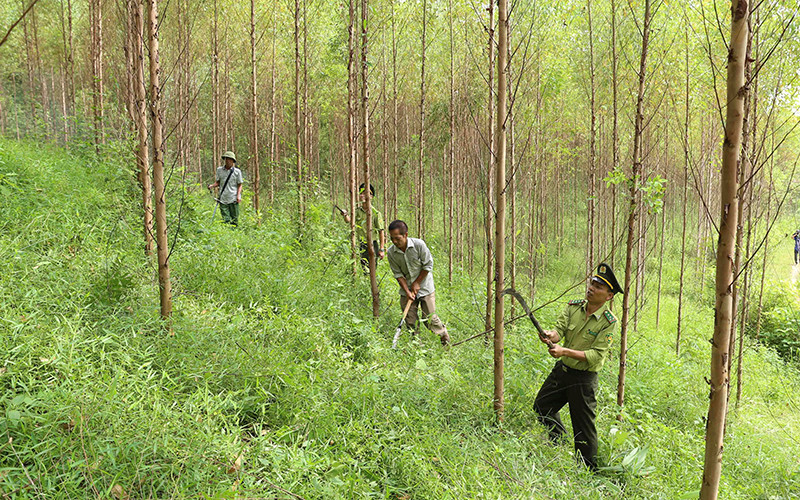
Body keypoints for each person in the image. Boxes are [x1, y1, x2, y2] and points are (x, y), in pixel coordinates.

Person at [533, 263, 622, 471]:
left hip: (583, 379)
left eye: (599, 287)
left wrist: (564, 351)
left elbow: (595, 356)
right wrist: (550, 335)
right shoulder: (574, 307)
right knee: (542, 406)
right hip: (562, 371)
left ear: (609, 296)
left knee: (583, 428)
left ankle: (588, 470)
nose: (592, 288)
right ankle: (558, 440)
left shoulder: (609, 322)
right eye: (592, 283)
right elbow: (559, 330)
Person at [386, 220, 450, 346]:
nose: (394, 242)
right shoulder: (391, 252)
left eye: (397, 238)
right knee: (410, 320)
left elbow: (428, 265)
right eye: (392, 238)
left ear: (405, 235)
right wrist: (407, 290)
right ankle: (416, 347)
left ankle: (444, 338)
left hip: (425, 286)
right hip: (407, 288)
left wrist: (417, 282)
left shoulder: (419, 245)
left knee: (430, 318)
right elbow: (398, 275)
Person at [338, 183, 386, 271]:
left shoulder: (376, 213)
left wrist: (381, 249)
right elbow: (349, 221)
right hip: (362, 244)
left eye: (366, 193)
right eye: (361, 193)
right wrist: (345, 215)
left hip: (373, 243)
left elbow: (381, 231)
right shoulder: (357, 211)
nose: (363, 195)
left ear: (371, 196)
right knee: (364, 268)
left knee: (372, 269)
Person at [207, 151, 244, 226]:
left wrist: (238, 196)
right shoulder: (219, 170)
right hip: (223, 198)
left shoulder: (237, 172)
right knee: (225, 219)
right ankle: (227, 231)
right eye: (226, 159)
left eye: (230, 159)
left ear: (233, 161)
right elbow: (218, 182)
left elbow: (240, 185)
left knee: (234, 219)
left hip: (233, 198)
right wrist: (212, 186)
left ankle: (234, 233)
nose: (228, 161)